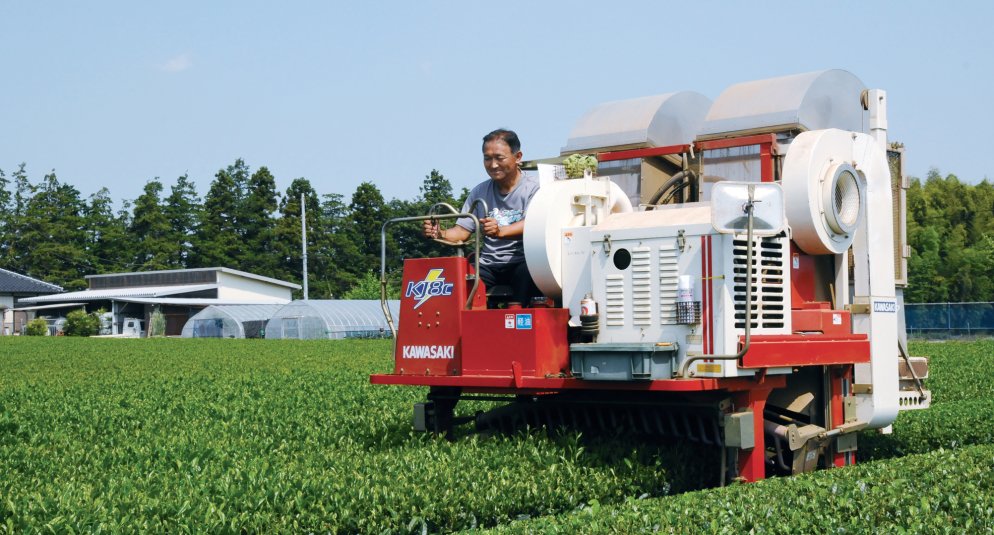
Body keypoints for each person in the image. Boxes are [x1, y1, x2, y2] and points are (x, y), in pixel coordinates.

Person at [423, 128, 541, 305]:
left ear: (518, 157)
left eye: (499, 158)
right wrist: (439, 233)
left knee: (528, 275)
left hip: (524, 262)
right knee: (462, 283)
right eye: (487, 158)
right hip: (489, 264)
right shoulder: (480, 191)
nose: (493, 165)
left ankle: (519, 324)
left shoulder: (535, 188)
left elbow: (535, 224)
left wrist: (501, 231)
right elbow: (462, 231)